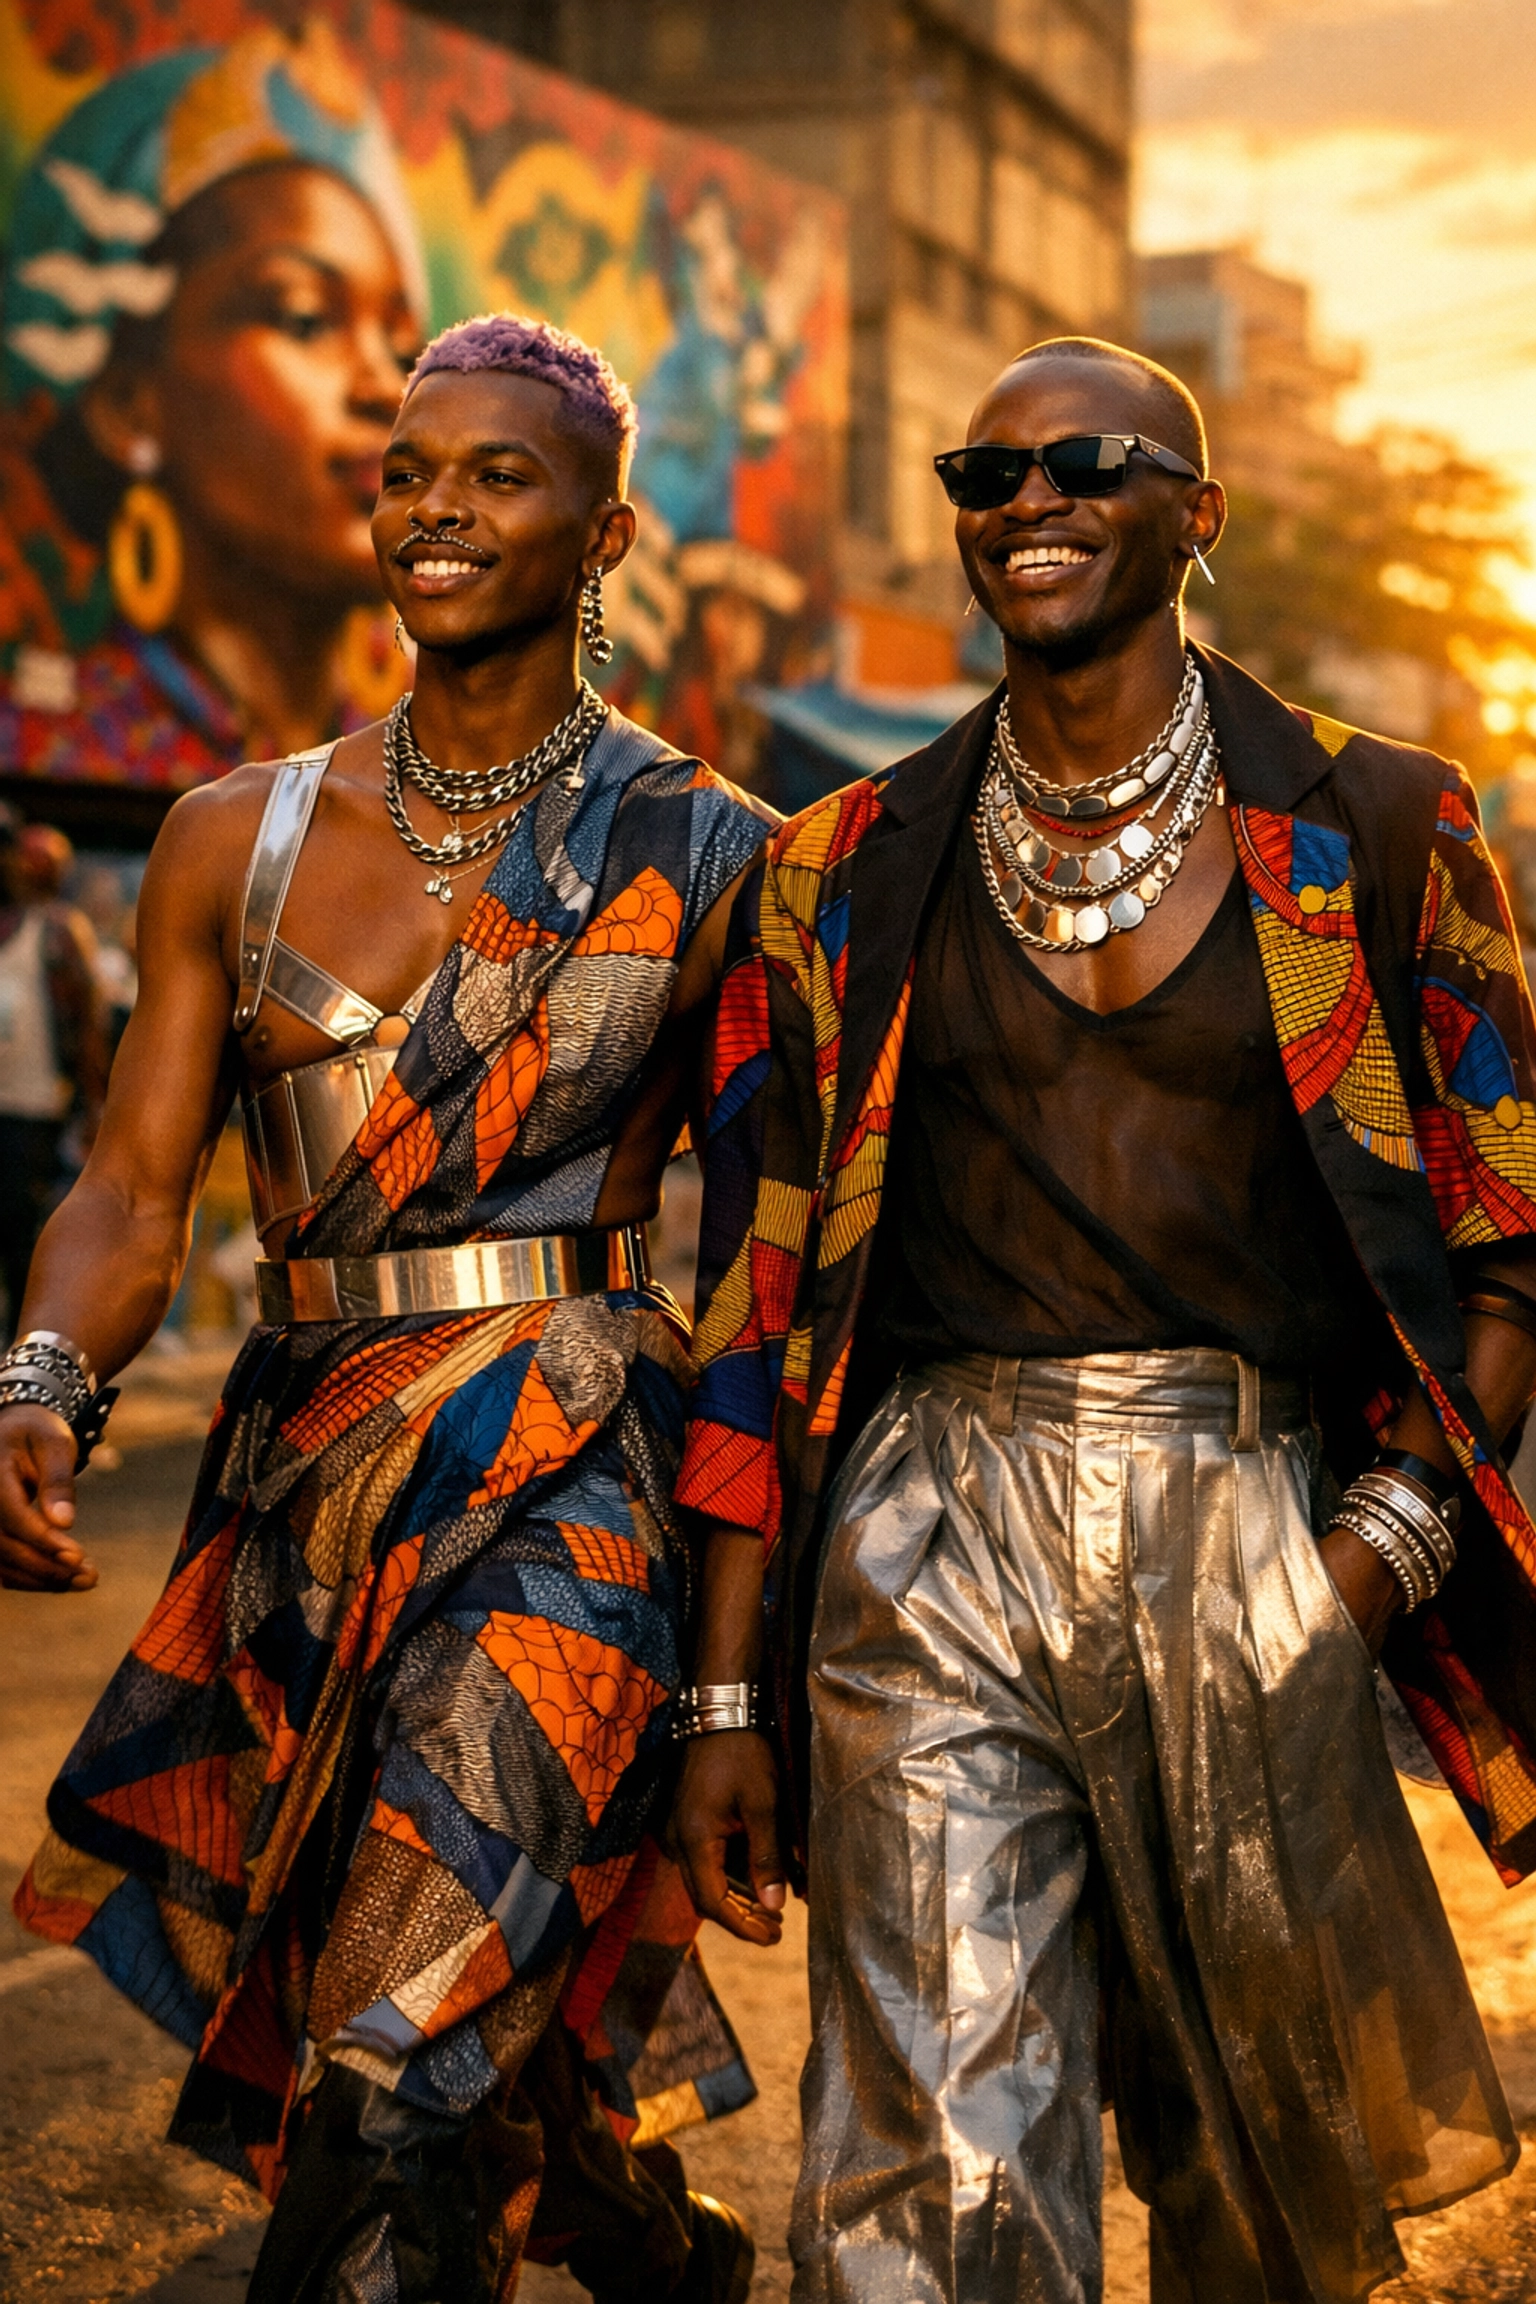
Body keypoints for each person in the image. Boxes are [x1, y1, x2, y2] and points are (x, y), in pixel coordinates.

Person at [672, 336, 1536, 2302]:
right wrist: (726, 1690)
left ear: (1196, 514)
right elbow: (754, 1300)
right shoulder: (843, 872)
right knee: (934, 2161)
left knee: (1255, 2172)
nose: (1029, 501)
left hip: (1254, 1524)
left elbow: (1513, 1240)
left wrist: (1372, 1563)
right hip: (924, 1535)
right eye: (988, 474)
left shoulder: (1377, 825)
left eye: (1086, 460)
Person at [3, 313, 773, 2304]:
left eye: (496, 474)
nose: (436, 511)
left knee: (391, 2054)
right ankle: (639, 2239)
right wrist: (47, 1375)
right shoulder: (226, 840)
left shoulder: (715, 859)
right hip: (304, 1505)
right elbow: (133, 1186)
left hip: (571, 1498)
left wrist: (750, 1673)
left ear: (605, 534)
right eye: (407, 471)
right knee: (435, 2015)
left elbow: (778, 1271)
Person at [1, 20, 422, 789]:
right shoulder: (52, 749)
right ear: (132, 401)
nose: (387, 390)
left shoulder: (422, 785)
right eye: (305, 319)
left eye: (403, 348)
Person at [0, 819, 107, 1336]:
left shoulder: (61, 932)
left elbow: (87, 1026)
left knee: (24, 1237)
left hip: (32, 1110)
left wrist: (93, 1105)